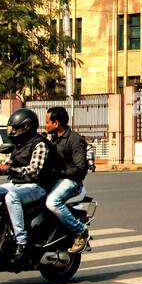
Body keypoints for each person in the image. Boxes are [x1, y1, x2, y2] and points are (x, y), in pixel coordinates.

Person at [0, 108, 59, 262]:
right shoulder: (19, 145)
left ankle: (22, 242)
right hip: (17, 184)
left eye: (16, 128)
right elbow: (9, 163)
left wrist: (11, 169)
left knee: (11, 198)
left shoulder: (40, 144)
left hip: (36, 187)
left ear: (26, 126)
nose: (13, 131)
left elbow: (34, 171)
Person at [43, 106, 90, 253]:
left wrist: (60, 172)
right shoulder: (52, 140)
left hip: (72, 182)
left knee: (52, 202)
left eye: (47, 122)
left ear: (56, 123)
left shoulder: (74, 140)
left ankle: (80, 230)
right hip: (57, 180)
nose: (46, 125)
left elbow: (81, 169)